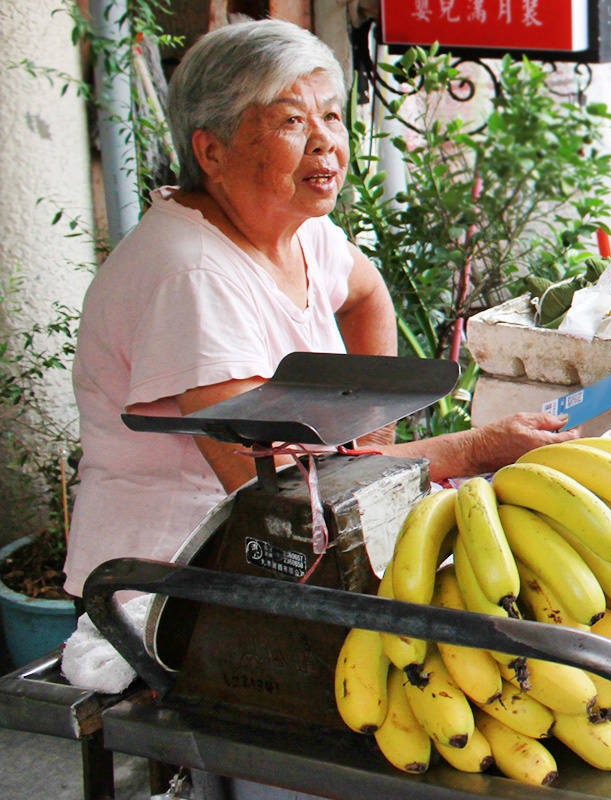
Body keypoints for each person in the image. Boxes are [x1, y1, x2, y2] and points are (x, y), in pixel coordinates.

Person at [64, 20, 577, 597]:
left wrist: (375, 447)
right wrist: (472, 449)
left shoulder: (294, 227)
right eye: (291, 120)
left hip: (282, 552)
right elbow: (275, 485)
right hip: (173, 584)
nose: (325, 140)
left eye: (331, 115)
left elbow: (366, 294)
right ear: (211, 150)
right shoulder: (191, 274)